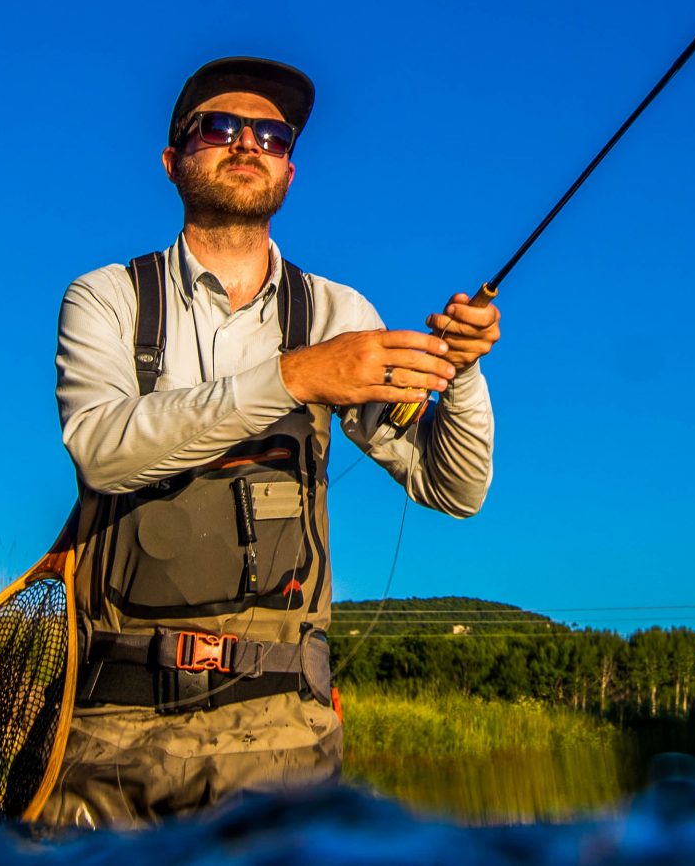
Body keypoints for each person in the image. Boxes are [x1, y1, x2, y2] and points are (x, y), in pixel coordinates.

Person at [40, 55, 497, 826]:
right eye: (219, 127)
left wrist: (464, 371)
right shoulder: (107, 296)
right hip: (107, 740)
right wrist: (295, 377)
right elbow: (100, 447)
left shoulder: (339, 310)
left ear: (289, 167)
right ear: (173, 159)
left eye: (271, 134)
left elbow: (453, 487)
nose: (246, 143)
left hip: (286, 739)